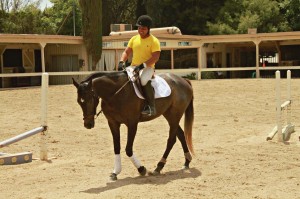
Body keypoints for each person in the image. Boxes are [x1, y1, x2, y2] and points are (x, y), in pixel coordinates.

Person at [118, 15, 161, 116]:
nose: (141, 30)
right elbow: (126, 52)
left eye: (143, 29)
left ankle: (151, 107)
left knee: (143, 80)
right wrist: (121, 61)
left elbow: (155, 57)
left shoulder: (154, 41)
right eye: (139, 28)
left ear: (148, 29)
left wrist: (143, 65)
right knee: (122, 78)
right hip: (133, 66)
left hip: (148, 68)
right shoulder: (134, 39)